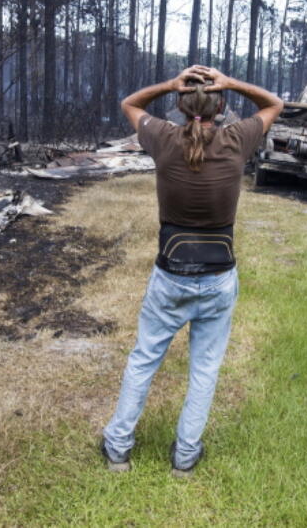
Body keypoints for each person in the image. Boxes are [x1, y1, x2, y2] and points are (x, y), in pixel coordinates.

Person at [100, 64, 283, 478]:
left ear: (181, 106)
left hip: (171, 273)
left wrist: (170, 84)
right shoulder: (237, 139)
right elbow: (274, 103)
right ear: (221, 106)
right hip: (219, 276)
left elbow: (129, 103)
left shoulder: (163, 137)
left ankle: (118, 450)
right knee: (204, 368)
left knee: (144, 359)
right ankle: (184, 458)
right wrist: (231, 82)